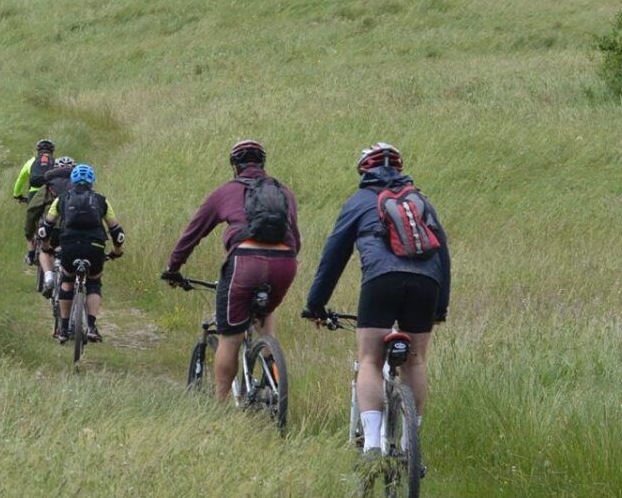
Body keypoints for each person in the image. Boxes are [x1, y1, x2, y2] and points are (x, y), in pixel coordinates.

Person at [300, 143, 451, 459]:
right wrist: (440, 309)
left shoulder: (358, 202)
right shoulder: (421, 201)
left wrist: (315, 304)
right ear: (399, 169)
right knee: (416, 360)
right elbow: (443, 255)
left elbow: (334, 255)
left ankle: (371, 444)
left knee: (370, 359)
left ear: (363, 171)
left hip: (381, 279)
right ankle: (411, 445)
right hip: (427, 282)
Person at [161, 140, 301, 401]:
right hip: (285, 262)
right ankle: (274, 381)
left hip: (244, 262)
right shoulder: (284, 191)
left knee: (230, 337)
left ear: (234, 166)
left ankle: (221, 403)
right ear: (262, 164)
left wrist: (173, 267)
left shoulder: (225, 192)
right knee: (266, 314)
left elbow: (193, 234)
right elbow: (296, 239)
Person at [39, 164, 125, 343]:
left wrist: (47, 246)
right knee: (94, 281)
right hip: (95, 246)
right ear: (92, 182)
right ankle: (92, 327)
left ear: (73, 181)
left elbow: (46, 228)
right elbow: (116, 231)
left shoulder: (62, 199)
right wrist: (117, 251)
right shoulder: (101, 200)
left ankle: (63, 328)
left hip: (69, 244)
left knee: (67, 281)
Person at [32, 156, 78, 296]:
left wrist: (29, 231)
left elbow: (33, 208)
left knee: (45, 251)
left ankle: (49, 277)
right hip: (72, 227)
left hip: (52, 226)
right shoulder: (80, 186)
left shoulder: (48, 186)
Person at [11, 138, 57, 268]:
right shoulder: (55, 163)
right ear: (52, 152)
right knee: (52, 218)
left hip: (34, 194)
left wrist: (17, 195)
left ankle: (31, 254)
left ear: (38, 151)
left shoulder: (31, 162)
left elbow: (21, 179)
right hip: (50, 193)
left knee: (31, 222)